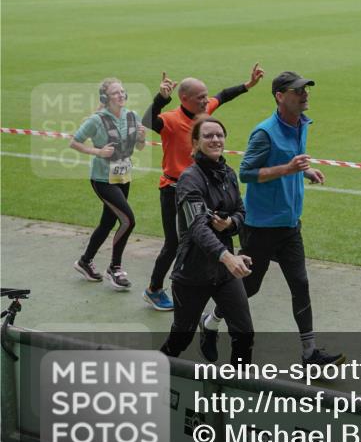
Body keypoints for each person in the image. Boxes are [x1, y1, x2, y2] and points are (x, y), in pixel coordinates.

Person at [200, 71, 344, 367]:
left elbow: (292, 159)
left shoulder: (301, 124)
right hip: (260, 227)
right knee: (250, 287)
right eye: (298, 91)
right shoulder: (264, 132)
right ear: (280, 96)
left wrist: (305, 170)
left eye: (306, 89)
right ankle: (211, 321)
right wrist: (288, 169)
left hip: (290, 225)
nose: (305, 94)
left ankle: (309, 353)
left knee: (300, 284)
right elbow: (247, 173)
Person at [141, 64, 264, 312]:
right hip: (173, 189)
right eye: (200, 97)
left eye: (205, 96)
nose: (206, 100)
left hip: (201, 188)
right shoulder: (170, 120)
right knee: (174, 242)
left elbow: (223, 96)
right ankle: (154, 289)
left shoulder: (206, 110)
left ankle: (211, 282)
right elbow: (147, 120)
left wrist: (248, 86)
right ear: (183, 99)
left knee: (206, 236)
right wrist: (160, 98)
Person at [160, 117, 254, 365]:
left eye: (219, 135)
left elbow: (242, 212)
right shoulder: (189, 179)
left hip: (224, 274)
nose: (215, 140)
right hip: (192, 275)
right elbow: (198, 228)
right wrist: (228, 257)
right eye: (208, 136)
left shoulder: (229, 174)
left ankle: (232, 393)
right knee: (181, 338)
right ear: (195, 143)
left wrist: (231, 223)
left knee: (245, 334)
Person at [70, 78, 146, 290]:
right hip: (102, 179)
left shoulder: (132, 116)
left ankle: (85, 261)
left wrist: (142, 138)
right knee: (128, 221)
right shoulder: (96, 120)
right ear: (105, 98)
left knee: (107, 223)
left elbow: (139, 148)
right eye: (115, 93)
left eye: (123, 91)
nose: (121, 95)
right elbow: (74, 141)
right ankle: (115, 267)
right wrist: (98, 152)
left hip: (123, 177)